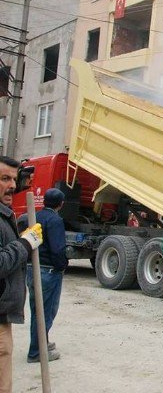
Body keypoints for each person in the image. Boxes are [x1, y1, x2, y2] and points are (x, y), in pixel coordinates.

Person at [0, 156, 43, 393]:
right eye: (5, 179)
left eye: (14, 180)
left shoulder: (4, 214)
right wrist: (25, 243)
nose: (13, 186)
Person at [25, 188, 67, 363]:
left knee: (37, 310)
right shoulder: (55, 220)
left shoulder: (35, 217)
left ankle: (42, 343)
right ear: (61, 204)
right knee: (46, 312)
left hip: (32, 268)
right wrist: (62, 266)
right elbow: (57, 249)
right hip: (48, 272)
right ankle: (36, 352)